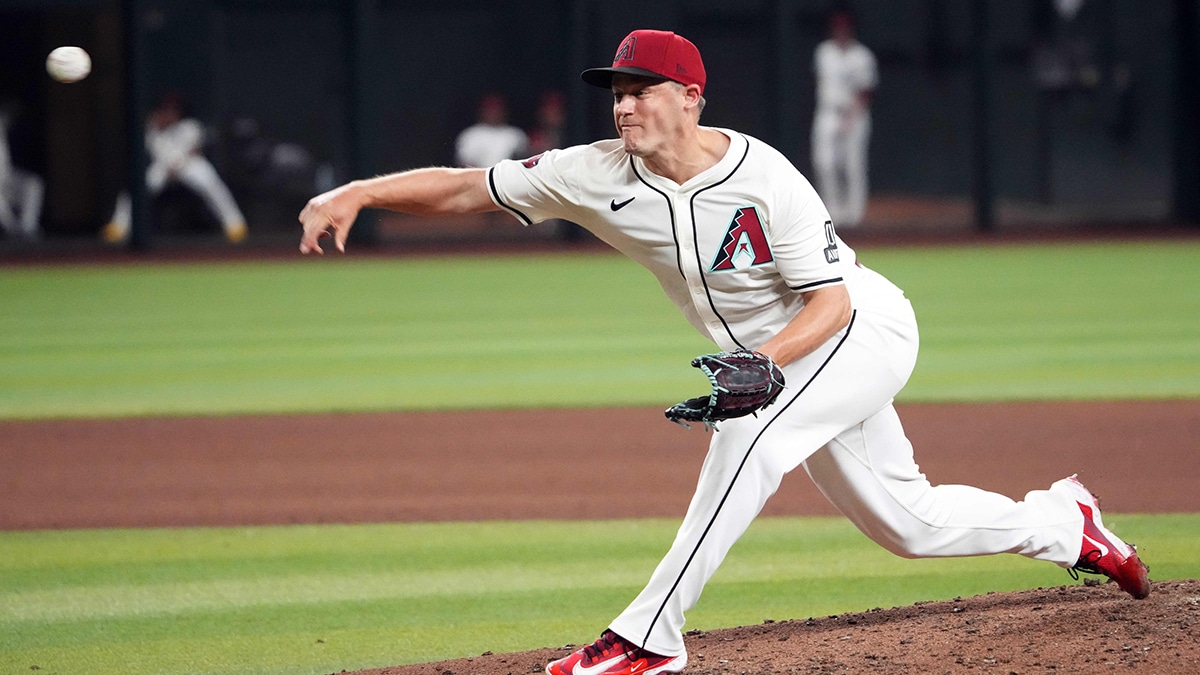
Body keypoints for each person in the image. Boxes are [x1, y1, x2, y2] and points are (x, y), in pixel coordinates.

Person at [298, 29, 1150, 675]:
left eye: (641, 89)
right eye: (616, 91)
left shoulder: (764, 176)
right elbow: (464, 188)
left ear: (690, 97)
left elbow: (834, 300)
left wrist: (766, 365)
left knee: (749, 433)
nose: (623, 104)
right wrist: (360, 191)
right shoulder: (592, 172)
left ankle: (645, 639)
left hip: (860, 330)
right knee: (909, 524)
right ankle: (1065, 522)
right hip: (785, 361)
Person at [103, 92, 247, 243]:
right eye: (167, 110)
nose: (170, 113)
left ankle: (235, 225)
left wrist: (179, 162)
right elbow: (154, 152)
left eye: (174, 110)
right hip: (163, 168)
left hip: (189, 165)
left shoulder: (190, 126)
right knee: (136, 188)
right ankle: (119, 227)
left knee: (211, 182)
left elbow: (195, 150)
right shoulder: (153, 129)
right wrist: (154, 126)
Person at [811, 8, 877, 229]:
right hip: (828, 111)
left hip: (854, 115)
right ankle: (832, 213)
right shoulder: (824, 52)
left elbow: (865, 91)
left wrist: (850, 118)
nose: (840, 32)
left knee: (853, 166)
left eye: (844, 28)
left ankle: (855, 217)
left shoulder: (862, 55)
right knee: (824, 163)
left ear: (851, 30)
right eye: (837, 28)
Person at [0, 102, 45, 240]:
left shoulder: (2, 127)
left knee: (33, 184)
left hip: (7, 180)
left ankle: (28, 229)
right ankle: (13, 232)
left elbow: (13, 109)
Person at [454, 93, 530, 169]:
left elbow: (523, 164)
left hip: (508, 177)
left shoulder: (515, 134)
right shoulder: (470, 135)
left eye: (497, 110)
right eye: (490, 110)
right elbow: (464, 164)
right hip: (479, 177)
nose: (493, 113)